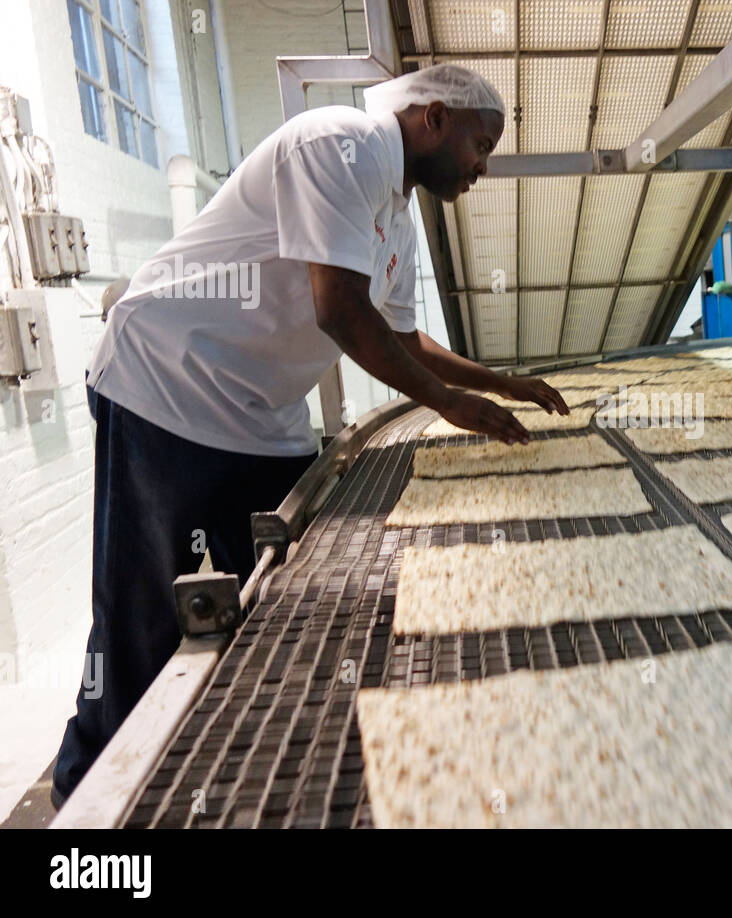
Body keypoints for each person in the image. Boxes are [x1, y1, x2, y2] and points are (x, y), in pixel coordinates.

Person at [52, 64, 564, 806]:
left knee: (244, 611)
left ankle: (199, 778)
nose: (481, 168)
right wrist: (451, 404)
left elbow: (400, 336)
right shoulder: (338, 144)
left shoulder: (394, 210)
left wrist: (500, 382)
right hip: (171, 386)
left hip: (259, 418)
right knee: (147, 619)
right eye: (480, 145)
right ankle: (89, 801)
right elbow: (340, 311)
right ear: (432, 118)